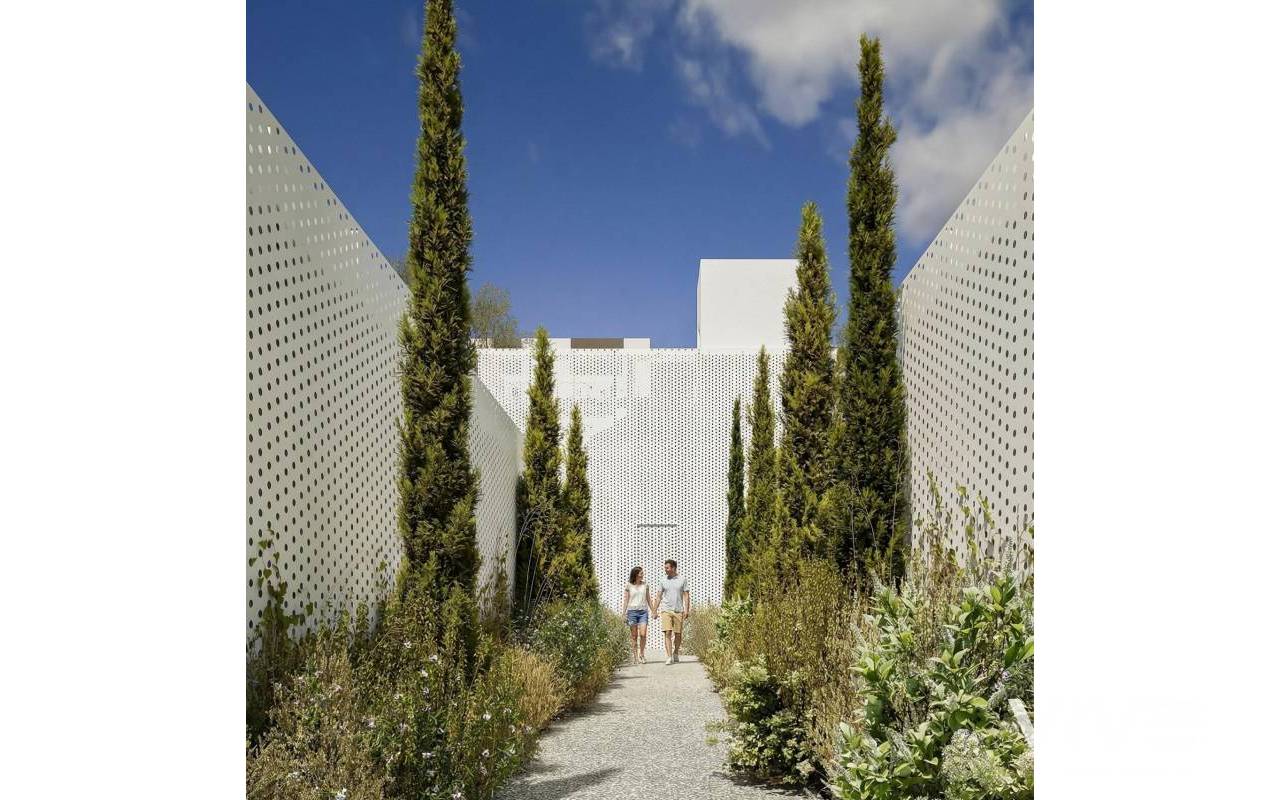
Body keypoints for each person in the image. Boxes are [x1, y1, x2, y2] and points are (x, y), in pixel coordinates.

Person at [656, 559, 690, 665]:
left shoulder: (682, 579)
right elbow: (659, 596)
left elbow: (686, 595)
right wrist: (654, 609)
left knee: (678, 634)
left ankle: (676, 652)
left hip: (678, 610)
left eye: (667, 568)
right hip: (666, 609)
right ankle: (669, 656)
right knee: (667, 632)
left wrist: (687, 609)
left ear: (673, 568)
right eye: (665, 568)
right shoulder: (663, 580)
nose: (665, 569)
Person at [623, 566, 651, 664]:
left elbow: (648, 598)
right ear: (636, 574)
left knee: (643, 634)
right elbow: (626, 600)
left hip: (643, 612)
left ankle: (642, 654)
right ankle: (635, 656)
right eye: (641, 573)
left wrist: (653, 610)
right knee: (634, 636)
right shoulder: (629, 585)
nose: (643, 575)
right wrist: (623, 613)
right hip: (632, 613)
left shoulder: (645, 585)